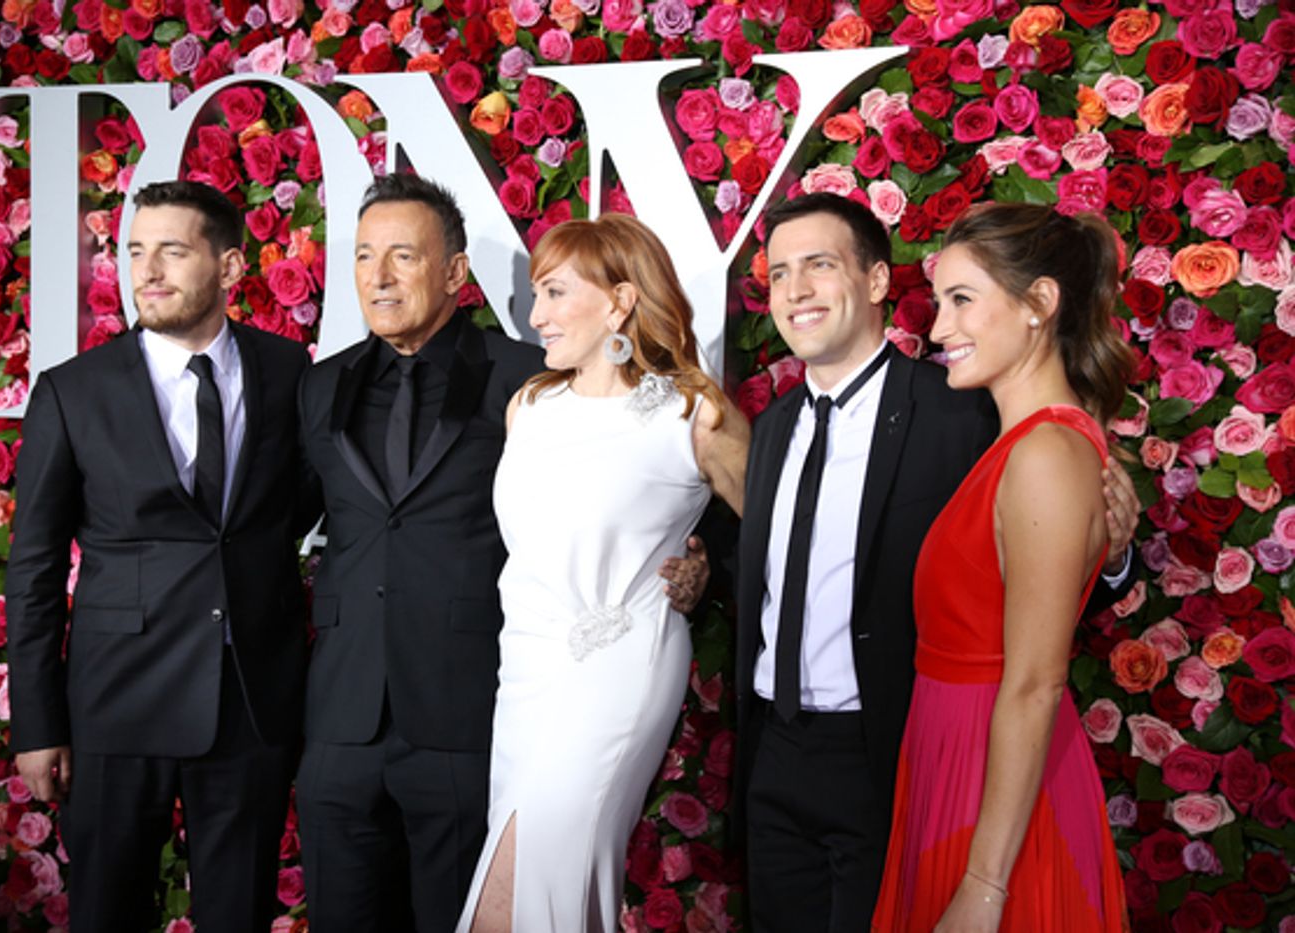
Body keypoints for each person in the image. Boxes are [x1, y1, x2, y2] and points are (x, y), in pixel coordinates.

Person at [295, 176, 708, 931]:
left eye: (402, 256)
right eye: (362, 256)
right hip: (340, 724)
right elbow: (274, 526)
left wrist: (699, 560)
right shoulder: (320, 387)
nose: (378, 277)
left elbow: (648, 471)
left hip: (469, 714)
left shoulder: (531, 380)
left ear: (455, 273)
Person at [734, 193, 1139, 932]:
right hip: (783, 749)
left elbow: (1036, 628)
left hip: (898, 752)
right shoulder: (772, 427)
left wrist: (1111, 552)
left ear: (877, 282)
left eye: (817, 265)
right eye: (779, 272)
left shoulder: (968, 407)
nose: (793, 291)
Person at [5, 180, 314, 932]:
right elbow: (36, 564)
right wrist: (38, 721)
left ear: (232, 266)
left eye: (172, 251)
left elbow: (303, 507)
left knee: (237, 914)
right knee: (107, 914)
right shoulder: (73, 391)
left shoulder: (290, 372)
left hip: (250, 700)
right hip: (116, 705)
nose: (148, 270)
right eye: (137, 251)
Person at [457, 213, 749, 933]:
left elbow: (779, 537)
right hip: (523, 671)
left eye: (556, 292)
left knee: (527, 881)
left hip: (614, 667)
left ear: (619, 301)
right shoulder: (531, 405)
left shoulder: (691, 411)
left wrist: (707, 565)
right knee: (543, 884)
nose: (537, 314)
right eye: (536, 293)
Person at [872, 204, 1130, 930]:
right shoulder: (1021, 445)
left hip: (997, 787)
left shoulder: (1045, 453)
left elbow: (1036, 681)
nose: (938, 329)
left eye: (962, 300)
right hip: (958, 760)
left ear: (1039, 304)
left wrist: (986, 885)